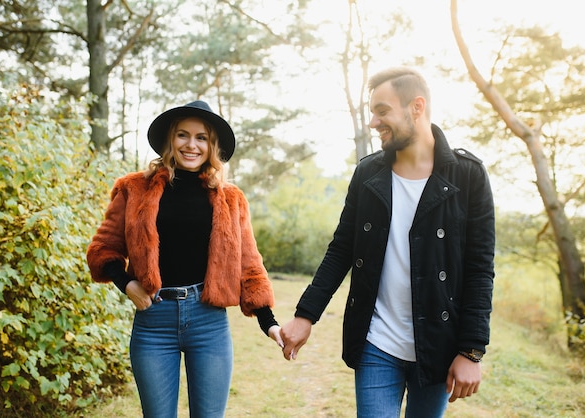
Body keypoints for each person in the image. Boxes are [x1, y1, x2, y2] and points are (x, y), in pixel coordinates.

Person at [280, 67, 495, 417]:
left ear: (416, 107)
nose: (373, 122)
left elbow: (479, 269)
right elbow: (341, 250)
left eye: (382, 111)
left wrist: (471, 350)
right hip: (376, 343)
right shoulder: (368, 174)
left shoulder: (468, 175)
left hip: (436, 344)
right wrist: (306, 315)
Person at [86, 100, 283, 418]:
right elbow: (102, 249)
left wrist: (269, 322)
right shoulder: (133, 189)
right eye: (182, 135)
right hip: (153, 322)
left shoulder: (230, 199)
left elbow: (249, 263)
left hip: (209, 324)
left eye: (201, 137)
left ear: (212, 145)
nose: (191, 145)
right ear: (170, 140)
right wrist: (127, 283)